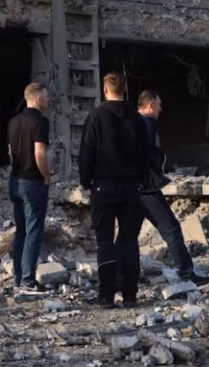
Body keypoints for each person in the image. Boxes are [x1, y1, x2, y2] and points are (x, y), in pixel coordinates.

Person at [79, 71, 150, 308]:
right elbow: (147, 153)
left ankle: (106, 296)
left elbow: (87, 151)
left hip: (104, 186)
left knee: (105, 242)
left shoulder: (96, 117)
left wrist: (85, 182)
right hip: (131, 187)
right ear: (125, 89)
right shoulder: (138, 119)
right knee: (129, 241)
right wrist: (142, 180)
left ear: (105, 90)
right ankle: (130, 294)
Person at [136, 90, 209, 286]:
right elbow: (146, 156)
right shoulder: (147, 124)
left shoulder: (128, 123)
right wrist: (152, 177)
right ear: (151, 106)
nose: (161, 109)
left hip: (129, 188)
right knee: (171, 230)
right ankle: (187, 273)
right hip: (146, 188)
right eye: (159, 105)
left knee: (127, 236)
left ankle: (123, 277)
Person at [6, 83, 53, 295]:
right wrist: (46, 176)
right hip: (33, 182)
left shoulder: (13, 121)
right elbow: (39, 152)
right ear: (38, 99)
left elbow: (10, 152)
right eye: (46, 97)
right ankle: (27, 281)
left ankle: (19, 278)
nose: (48, 100)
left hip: (15, 181)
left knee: (21, 231)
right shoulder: (41, 122)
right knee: (33, 232)